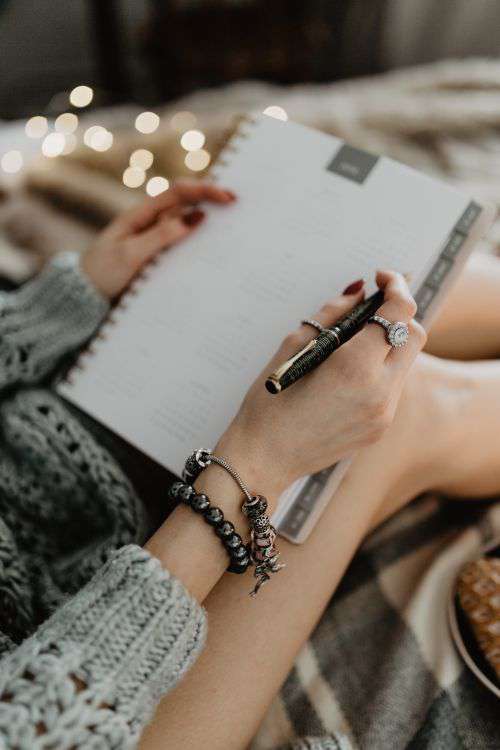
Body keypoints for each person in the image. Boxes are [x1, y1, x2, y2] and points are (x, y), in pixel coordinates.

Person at [0, 181, 498, 749]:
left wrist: (62, 301)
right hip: (97, 691)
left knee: (380, 298)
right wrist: (257, 463)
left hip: (54, 454)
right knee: (401, 412)